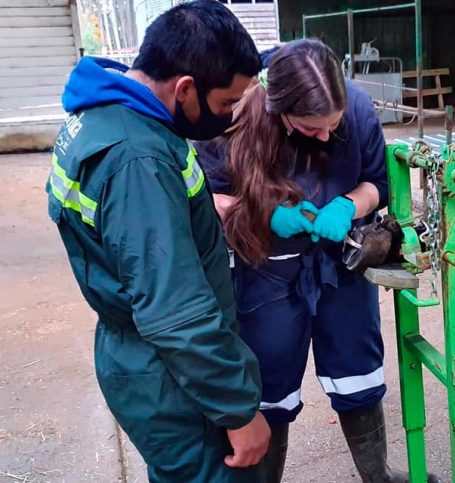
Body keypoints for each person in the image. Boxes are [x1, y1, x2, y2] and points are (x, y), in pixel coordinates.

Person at [198, 39, 441, 483]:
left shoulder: (358, 109)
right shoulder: (231, 120)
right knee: (268, 385)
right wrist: (265, 214)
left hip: (341, 267)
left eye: (333, 125)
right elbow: (205, 197)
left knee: (358, 373)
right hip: (264, 270)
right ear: (280, 110)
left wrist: (348, 205)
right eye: (312, 129)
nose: (327, 136)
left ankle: (377, 474)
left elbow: (376, 183)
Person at [46, 2, 271, 481]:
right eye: (227, 103)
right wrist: (238, 411)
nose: (229, 117)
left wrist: (189, 209)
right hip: (173, 374)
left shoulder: (110, 113)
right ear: (185, 88)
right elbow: (174, 312)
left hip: (144, 356)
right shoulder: (139, 160)